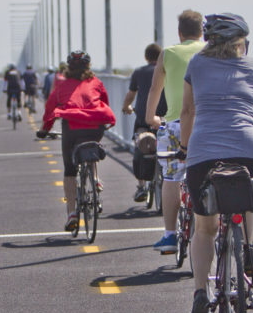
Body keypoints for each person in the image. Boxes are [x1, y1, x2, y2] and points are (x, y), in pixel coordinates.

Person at [179, 13, 253, 313]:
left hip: (204, 155)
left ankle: (199, 296)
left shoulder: (196, 64)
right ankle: (249, 246)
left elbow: (188, 112)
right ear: (241, 42)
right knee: (249, 189)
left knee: (205, 228)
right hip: (248, 151)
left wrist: (184, 146)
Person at [146, 10, 205, 253]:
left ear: (180, 33)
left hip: (176, 124)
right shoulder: (210, 52)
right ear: (202, 32)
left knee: (171, 177)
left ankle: (170, 235)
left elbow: (154, 89)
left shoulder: (168, 53)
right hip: (207, 123)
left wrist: (151, 118)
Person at [37, 51, 117, 232]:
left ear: (69, 67)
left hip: (72, 128)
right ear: (88, 66)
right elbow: (104, 103)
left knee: (70, 169)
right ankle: (94, 178)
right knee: (91, 150)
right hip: (95, 128)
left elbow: (50, 109)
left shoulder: (62, 86)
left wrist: (45, 130)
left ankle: (72, 213)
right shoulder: (96, 82)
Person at [122, 43, 167, 202]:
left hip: (144, 118)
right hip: (164, 117)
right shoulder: (165, 69)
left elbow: (131, 94)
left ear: (146, 57)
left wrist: (126, 106)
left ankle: (141, 187)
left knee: (140, 146)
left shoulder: (139, 72)